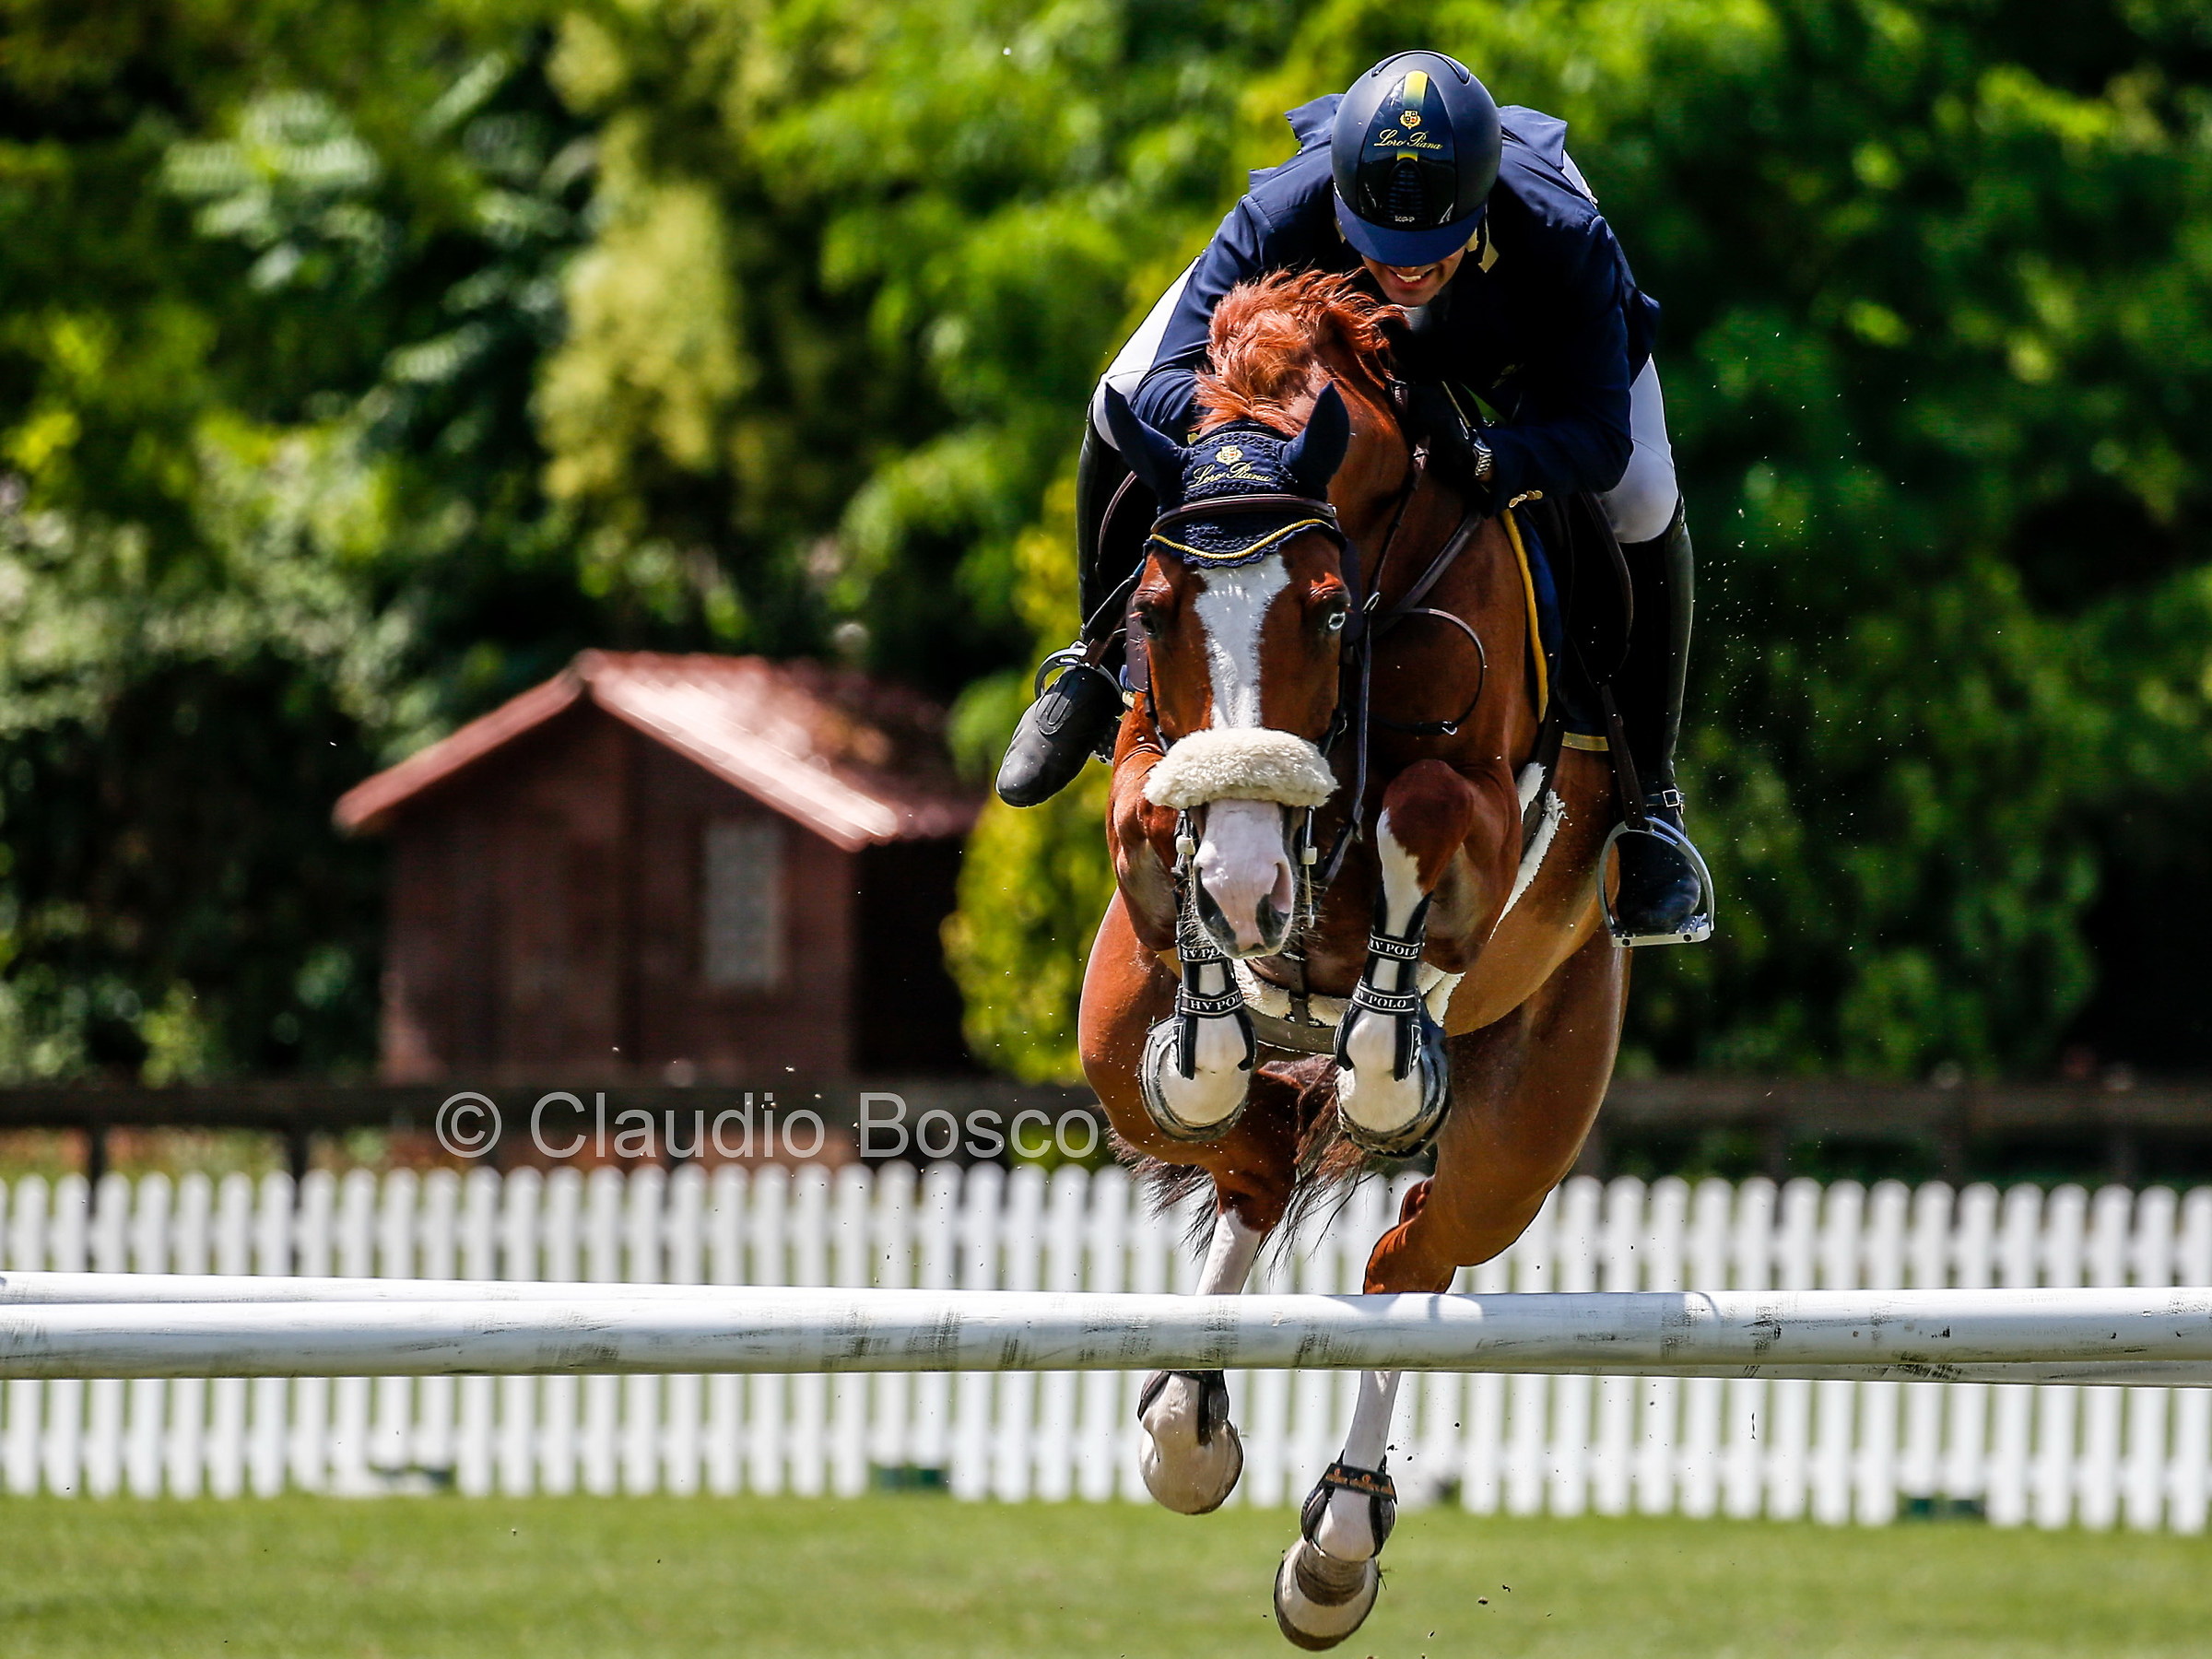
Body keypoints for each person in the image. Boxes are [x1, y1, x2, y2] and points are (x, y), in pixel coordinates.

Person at [996, 50, 1708, 945]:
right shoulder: (1284, 213)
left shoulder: (1559, 236)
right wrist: (1256, 425)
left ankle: (1654, 803)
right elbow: (1165, 388)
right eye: (1380, 242)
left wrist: (1489, 456)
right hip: (1317, 349)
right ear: (1337, 203)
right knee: (1116, 397)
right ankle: (1096, 663)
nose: (1405, 272)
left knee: (1643, 494)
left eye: (1432, 249)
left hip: (1515, 350)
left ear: (1481, 210)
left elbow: (1599, 437)